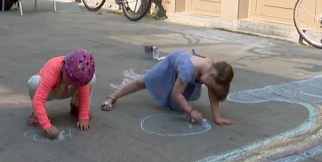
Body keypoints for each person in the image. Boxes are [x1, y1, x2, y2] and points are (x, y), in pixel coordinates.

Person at [100, 49, 235, 125]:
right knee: (143, 82)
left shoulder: (210, 68)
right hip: (172, 64)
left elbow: (213, 92)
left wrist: (217, 117)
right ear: (211, 75)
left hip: (182, 73)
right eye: (208, 84)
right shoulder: (188, 71)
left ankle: (182, 106)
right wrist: (191, 110)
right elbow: (176, 93)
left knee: (178, 106)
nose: (207, 86)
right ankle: (113, 97)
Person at [27, 49, 96, 139]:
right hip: (50, 92)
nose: (73, 83)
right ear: (64, 68)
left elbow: (84, 94)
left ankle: (76, 107)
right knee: (34, 82)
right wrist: (46, 125)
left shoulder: (80, 72)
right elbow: (38, 99)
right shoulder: (52, 69)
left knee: (92, 80)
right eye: (71, 80)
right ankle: (37, 113)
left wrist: (83, 117)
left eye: (75, 83)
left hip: (66, 90)